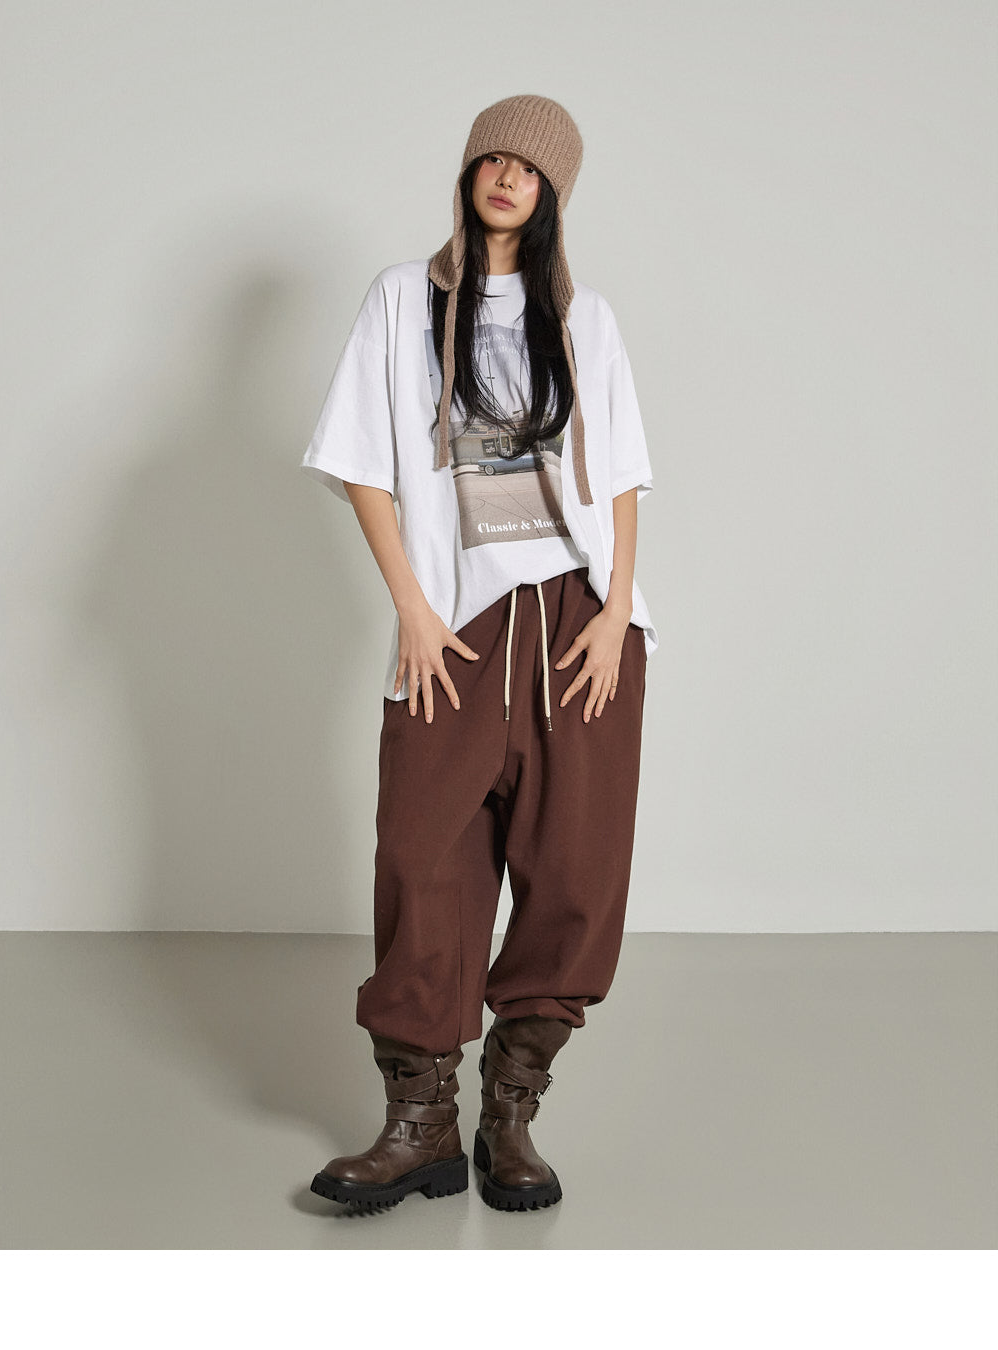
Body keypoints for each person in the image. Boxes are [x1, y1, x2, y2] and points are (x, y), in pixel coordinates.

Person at [300, 94, 658, 1214]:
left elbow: (622, 474)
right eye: (492, 157)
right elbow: (361, 463)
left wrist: (617, 611)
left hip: (577, 622)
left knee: (576, 872)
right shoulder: (403, 298)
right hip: (455, 622)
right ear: (468, 173)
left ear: (553, 193)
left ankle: (510, 1118)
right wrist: (410, 606)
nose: (507, 175)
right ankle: (419, 1127)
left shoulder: (584, 316)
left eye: (529, 167)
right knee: (423, 856)